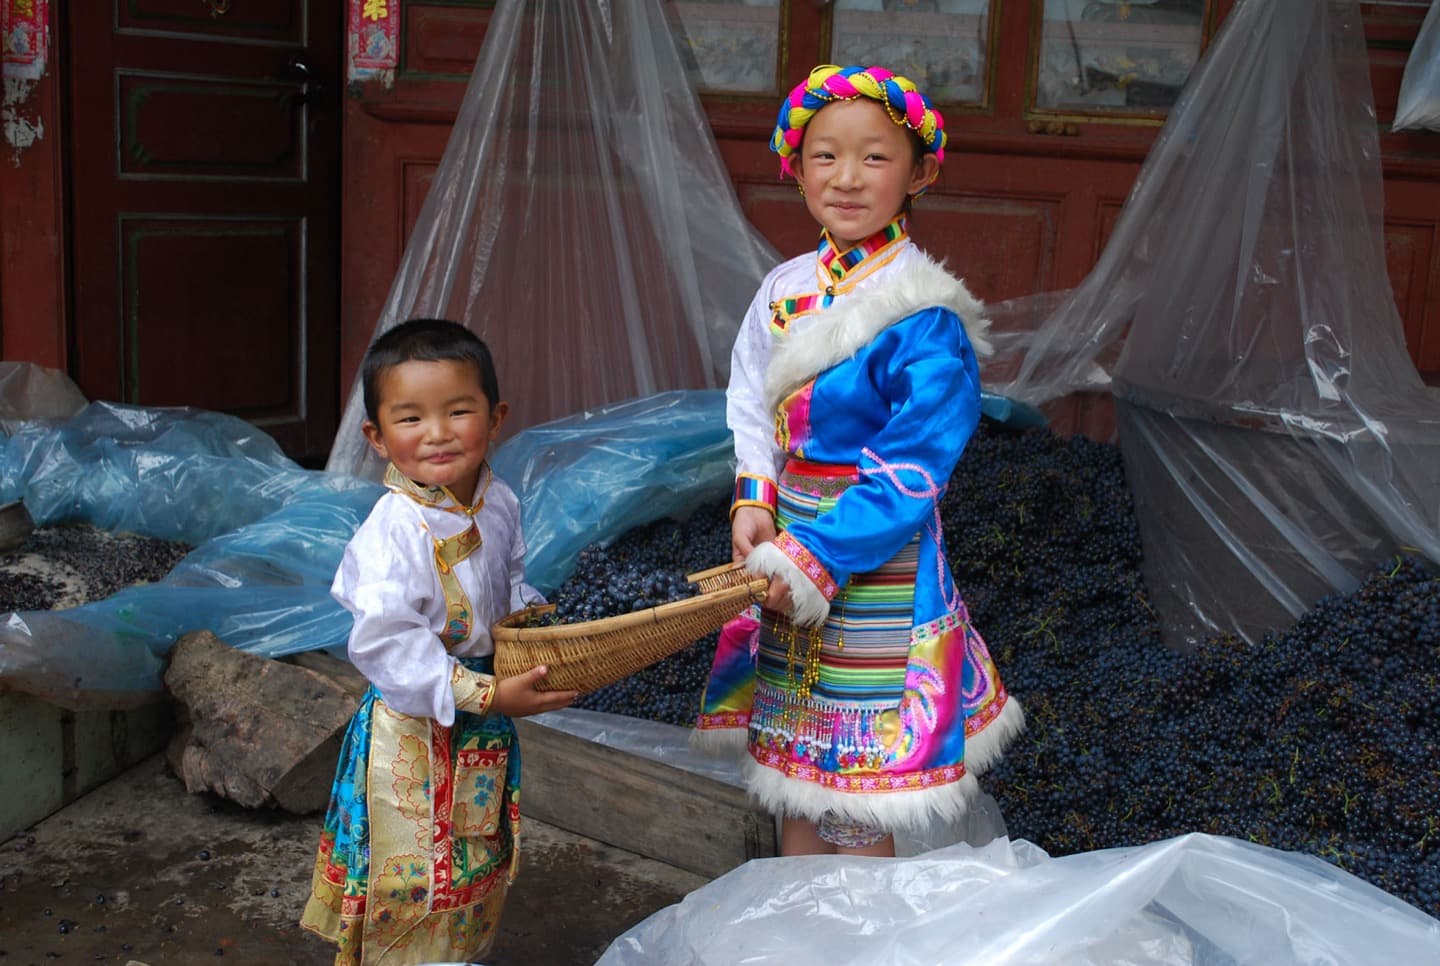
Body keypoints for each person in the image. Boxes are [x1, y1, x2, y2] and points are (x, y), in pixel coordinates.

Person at [695, 65, 1025, 857]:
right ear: (795, 166)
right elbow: (748, 395)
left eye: (874, 158)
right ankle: (796, 919)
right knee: (794, 773)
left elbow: (912, 467)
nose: (846, 179)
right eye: (824, 157)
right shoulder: (782, 286)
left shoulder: (924, 310)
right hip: (785, 542)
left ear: (921, 172)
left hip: (876, 555)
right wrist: (754, 501)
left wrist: (814, 555)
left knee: (860, 788)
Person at [300, 317, 577, 964]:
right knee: (413, 878)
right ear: (375, 437)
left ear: (496, 415)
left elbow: (509, 584)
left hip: (481, 725)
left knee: (473, 859)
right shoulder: (393, 532)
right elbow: (389, 646)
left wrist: (540, 627)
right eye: (411, 418)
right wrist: (486, 692)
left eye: (458, 411)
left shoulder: (498, 501)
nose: (438, 433)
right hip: (416, 732)